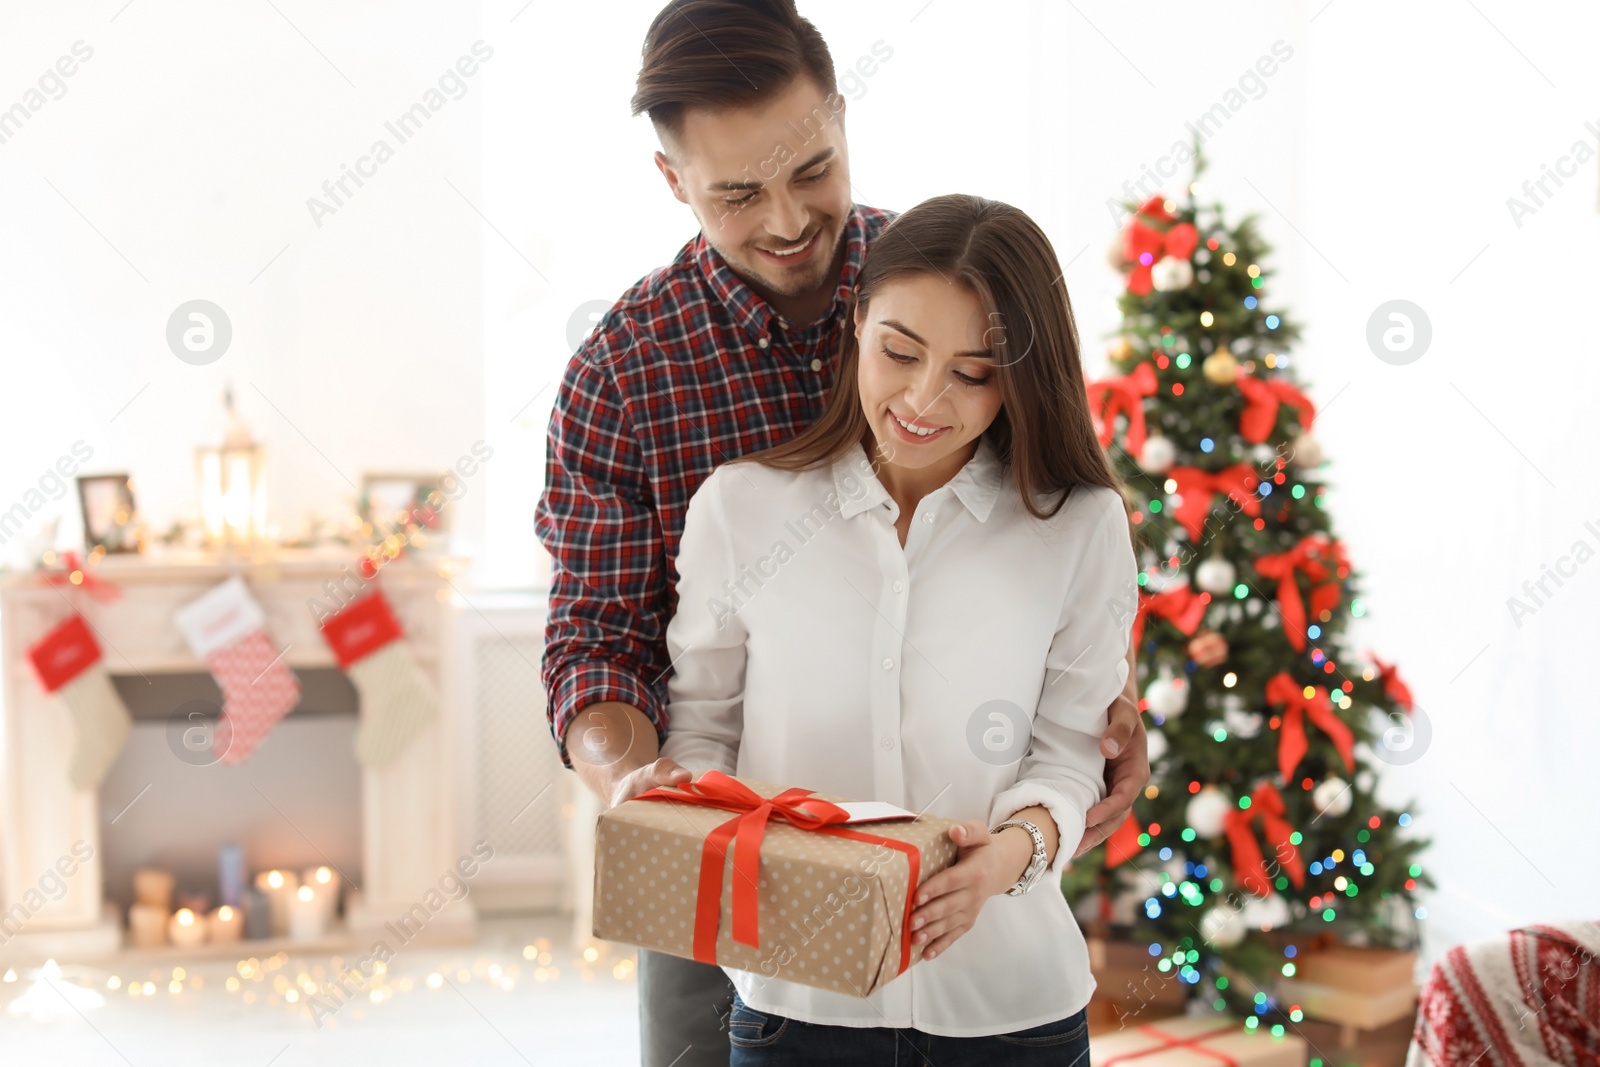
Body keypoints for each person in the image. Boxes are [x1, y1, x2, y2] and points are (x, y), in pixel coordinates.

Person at [534, 2, 1150, 1064]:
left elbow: (1054, 540)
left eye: (811, 168)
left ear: (841, 118)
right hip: (743, 876)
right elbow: (593, 638)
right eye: (736, 192)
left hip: (977, 921)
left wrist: (1088, 709)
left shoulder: (947, 281)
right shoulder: (623, 375)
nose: (786, 218)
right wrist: (642, 786)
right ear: (672, 180)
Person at [658, 192, 1133, 1064]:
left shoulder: (1078, 526)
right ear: (857, 327)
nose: (923, 398)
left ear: (1021, 377)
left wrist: (1008, 858)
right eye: (900, 352)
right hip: (796, 1008)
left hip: (1011, 1012)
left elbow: (1068, 753)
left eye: (973, 371)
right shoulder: (742, 510)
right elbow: (701, 731)